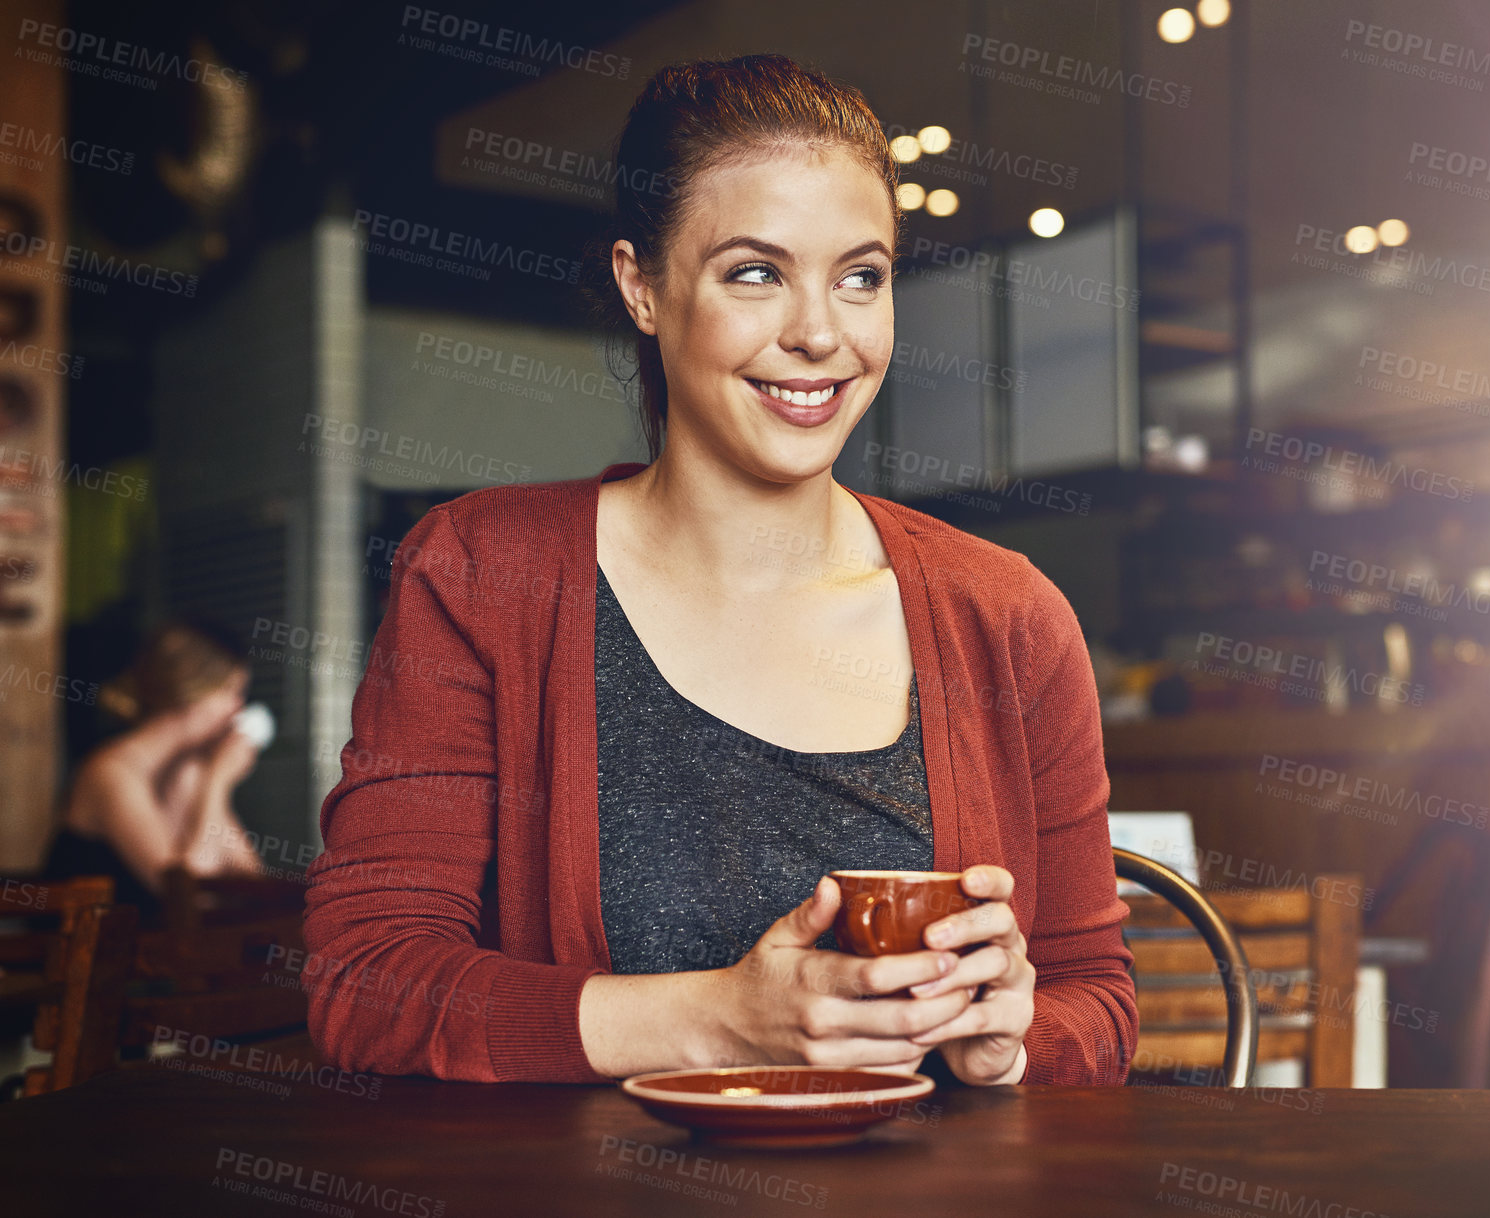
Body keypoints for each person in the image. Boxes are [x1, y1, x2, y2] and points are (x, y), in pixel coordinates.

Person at [302, 54, 1136, 1087]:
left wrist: (1007, 1042)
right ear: (640, 287)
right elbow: (367, 986)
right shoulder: (482, 571)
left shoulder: (1007, 614)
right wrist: (717, 1020)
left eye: (860, 278)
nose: (819, 333)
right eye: (754, 272)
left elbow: (1093, 994)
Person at [41, 621, 266, 915]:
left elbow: (251, 876)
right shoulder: (111, 772)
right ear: (193, 694)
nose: (238, 709)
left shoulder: (188, 769)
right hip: (78, 956)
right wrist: (217, 782)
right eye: (231, 692)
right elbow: (187, 898)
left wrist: (209, 781)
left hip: (153, 953)